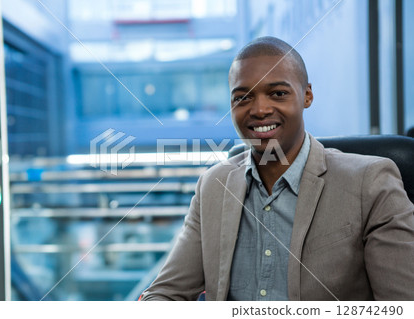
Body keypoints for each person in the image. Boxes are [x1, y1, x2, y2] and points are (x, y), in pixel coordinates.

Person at [141, 36, 414, 301]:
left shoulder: (370, 182)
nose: (259, 110)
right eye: (243, 98)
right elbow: (165, 293)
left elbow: (402, 305)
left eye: (278, 93)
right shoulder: (214, 185)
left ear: (306, 95)